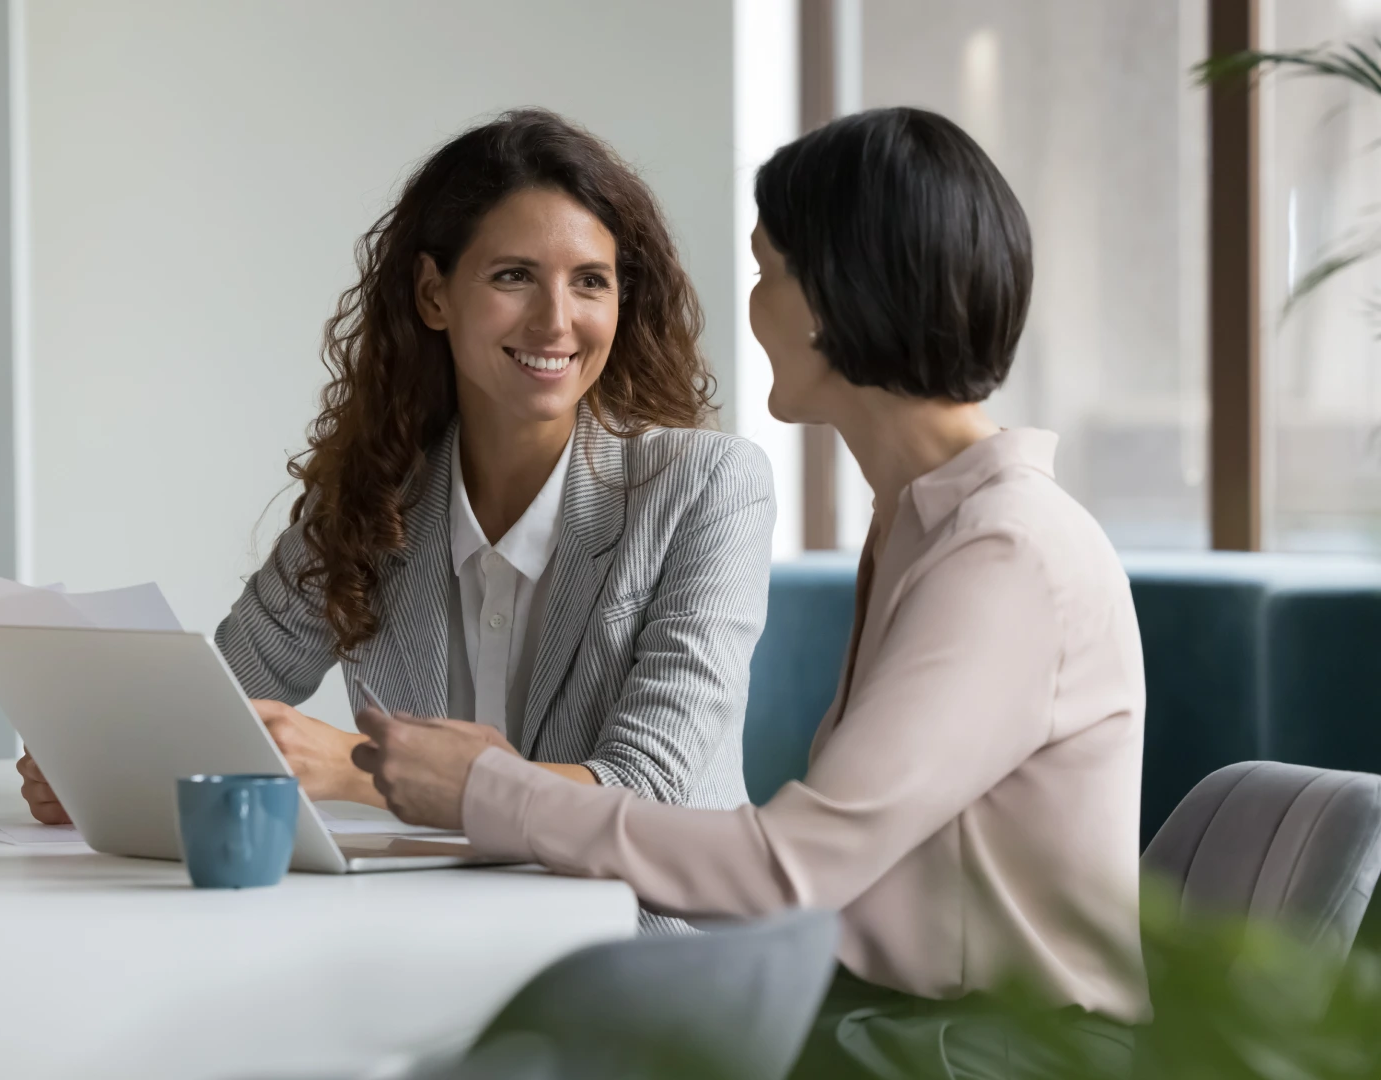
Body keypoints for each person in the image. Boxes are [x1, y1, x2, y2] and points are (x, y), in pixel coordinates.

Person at [353, 107, 1149, 1074]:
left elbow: (790, 870)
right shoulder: (924, 524)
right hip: (887, 1027)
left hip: (983, 1053)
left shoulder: (1009, 553)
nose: (755, 304)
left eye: (768, 269)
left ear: (834, 298)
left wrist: (489, 789)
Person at [19, 110, 774, 875]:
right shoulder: (372, 496)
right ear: (433, 295)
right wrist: (113, 760)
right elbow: (226, 708)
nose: (557, 321)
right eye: (513, 276)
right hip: (426, 937)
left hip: (648, 954)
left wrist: (357, 769)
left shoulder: (708, 488)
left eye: (590, 282)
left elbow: (650, 795)